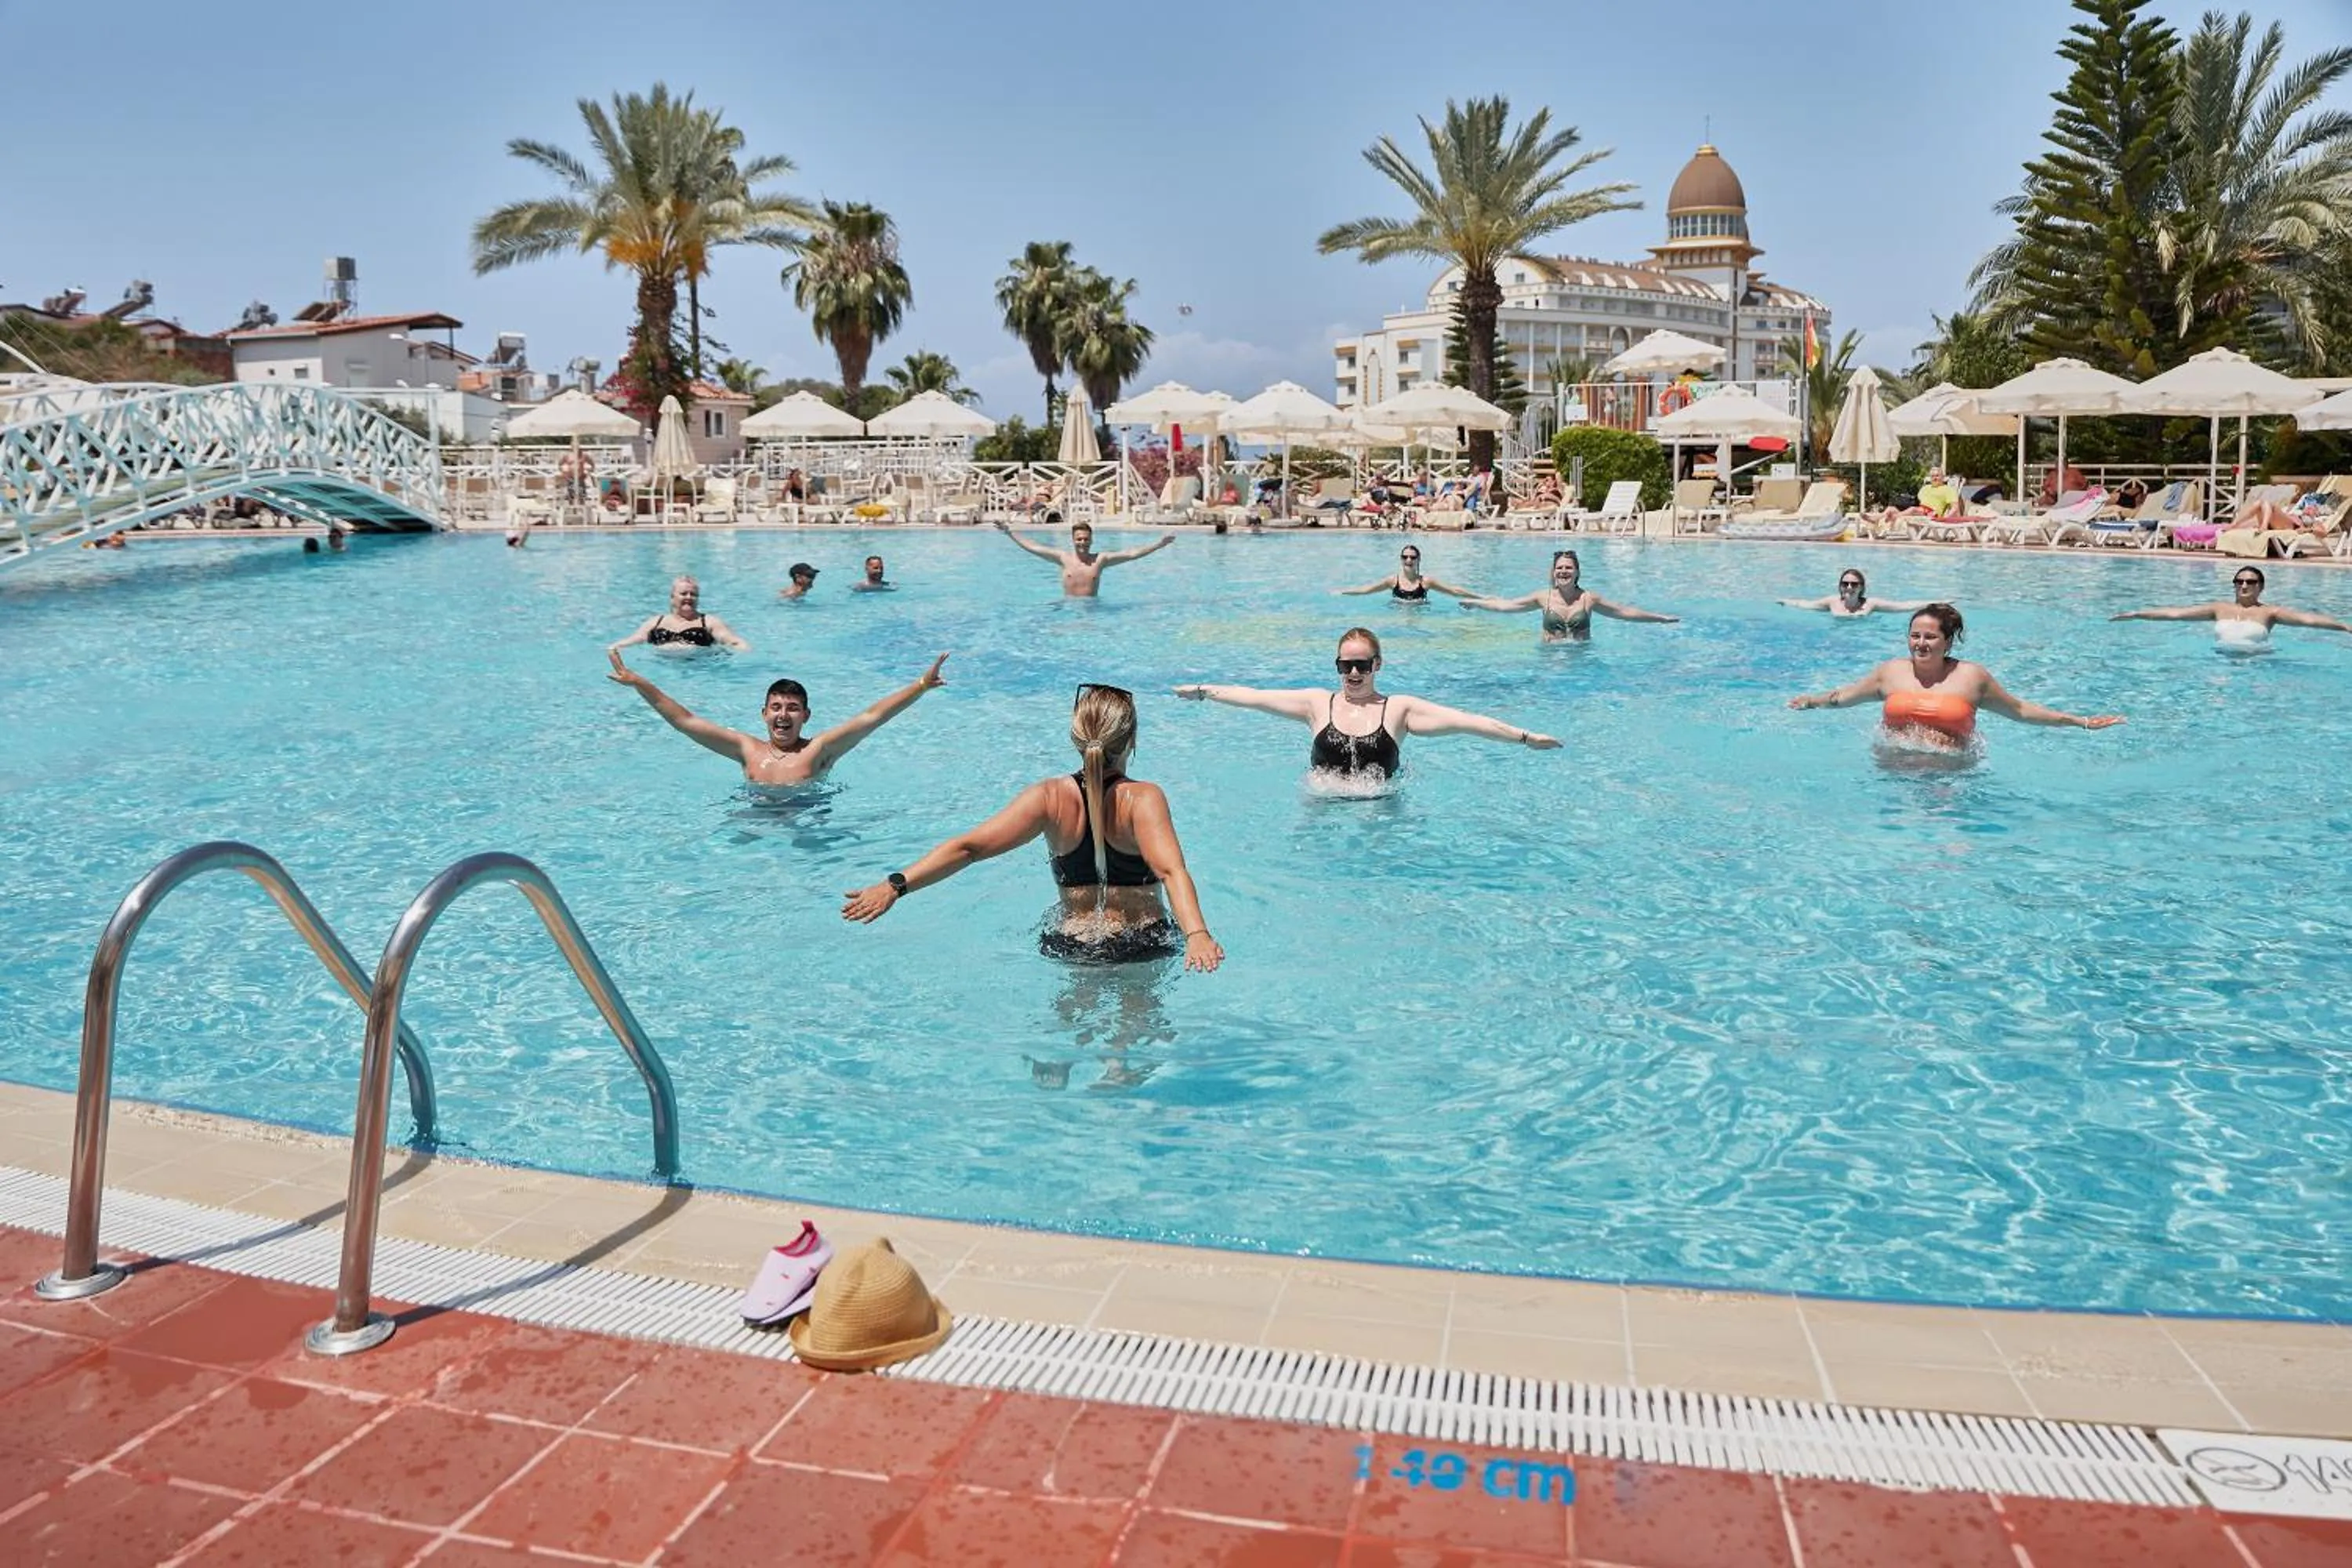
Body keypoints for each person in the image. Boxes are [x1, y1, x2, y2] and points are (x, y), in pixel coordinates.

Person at [840, 684, 1222, 971]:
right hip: (1144, 941)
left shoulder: (1048, 798)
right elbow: (1172, 872)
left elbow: (969, 848)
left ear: (1075, 737)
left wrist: (895, 885)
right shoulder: (1143, 798)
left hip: (1074, 941)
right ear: (1132, 738)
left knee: (1072, 1019)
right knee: (1132, 1036)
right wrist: (1197, 935)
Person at [1174, 626, 1560, 782]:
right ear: (1338, 666)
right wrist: (1205, 690)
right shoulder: (1316, 703)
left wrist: (1525, 738)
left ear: (1377, 665)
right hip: (1322, 808)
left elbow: (1466, 722)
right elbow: (1255, 696)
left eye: (1362, 664)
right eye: (1346, 665)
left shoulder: (1399, 710)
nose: (1354, 673)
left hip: (1381, 814)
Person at [1788, 603, 2122, 747]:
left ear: (1948, 642)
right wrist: (1810, 702)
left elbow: (2020, 711)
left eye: (1930, 637)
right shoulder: (1891, 673)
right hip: (1892, 767)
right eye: (1914, 635)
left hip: (1950, 774)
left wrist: (2079, 721)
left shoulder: (1971, 678)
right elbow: (1842, 698)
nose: (1920, 643)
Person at [608, 648, 948, 786]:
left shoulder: (820, 750)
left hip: (809, 824)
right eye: (776, 708)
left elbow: (872, 717)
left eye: (792, 708)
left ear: (806, 716)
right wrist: (639, 683)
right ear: (764, 714)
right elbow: (685, 722)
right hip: (753, 821)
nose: (783, 715)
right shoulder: (746, 749)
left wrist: (920, 686)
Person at [2109, 565, 2351, 652]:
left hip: (2257, 666)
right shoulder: (2219, 608)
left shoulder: (2270, 613)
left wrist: (2344, 626)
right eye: (2239, 581)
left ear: (2261, 587)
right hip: (2220, 663)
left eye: (2250, 582)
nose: (2244, 585)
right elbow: (2177, 614)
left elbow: (2308, 620)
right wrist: (2138, 614)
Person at [1457, 550, 1678, 641]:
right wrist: (1477, 603)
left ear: (1578, 572)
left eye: (1569, 568)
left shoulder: (1589, 599)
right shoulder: (1543, 597)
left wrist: (1660, 618)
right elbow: (1507, 606)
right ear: (1554, 572)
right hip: (1549, 660)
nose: (1563, 571)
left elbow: (1623, 612)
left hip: (1583, 662)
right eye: (1559, 568)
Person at [994, 517, 1177, 597]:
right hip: (1068, 609)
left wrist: (1159, 544)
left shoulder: (1100, 560)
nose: (1082, 542)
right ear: (1073, 540)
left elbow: (1131, 554)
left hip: (1093, 611)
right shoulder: (1063, 558)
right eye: (1079, 539)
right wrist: (1009, 532)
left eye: (1086, 539)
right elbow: (1033, 547)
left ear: (1092, 540)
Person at [610, 575, 750, 652]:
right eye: (684, 593)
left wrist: (744, 650)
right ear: (672, 597)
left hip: (700, 670)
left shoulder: (709, 622)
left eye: (694, 594)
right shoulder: (656, 622)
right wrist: (614, 648)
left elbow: (732, 641)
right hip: (662, 670)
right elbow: (636, 639)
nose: (689, 597)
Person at [1337, 546, 1477, 603]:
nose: (1408, 560)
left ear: (1418, 560)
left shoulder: (1426, 582)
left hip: (1421, 617)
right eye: (1405, 557)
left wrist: (1479, 597)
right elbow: (1365, 590)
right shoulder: (1392, 581)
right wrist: (1342, 592)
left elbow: (1454, 591)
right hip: (1397, 616)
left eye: (1413, 557)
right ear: (1401, 559)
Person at [1780, 570, 1932, 618]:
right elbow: (1807, 605)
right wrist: (1787, 602)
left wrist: (1932, 604)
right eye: (1845, 584)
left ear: (1861, 588)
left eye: (1854, 584)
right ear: (1840, 586)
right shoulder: (1832, 602)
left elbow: (1902, 607)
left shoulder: (1870, 604)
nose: (1849, 587)